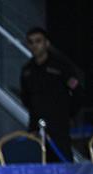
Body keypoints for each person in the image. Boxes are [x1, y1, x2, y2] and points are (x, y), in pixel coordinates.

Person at [20, 26, 81, 163]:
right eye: (31, 42)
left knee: (63, 160)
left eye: (38, 41)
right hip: (36, 125)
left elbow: (77, 92)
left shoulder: (61, 66)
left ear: (46, 43)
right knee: (38, 161)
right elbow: (25, 97)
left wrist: (68, 114)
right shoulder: (27, 71)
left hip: (59, 124)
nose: (35, 45)